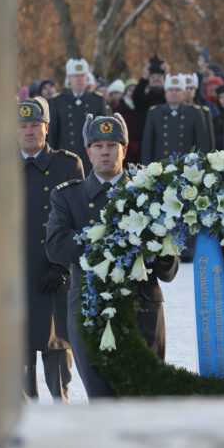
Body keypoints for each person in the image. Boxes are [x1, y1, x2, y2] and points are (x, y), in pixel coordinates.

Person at [46, 113, 179, 398]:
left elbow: (169, 269)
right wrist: (114, 240)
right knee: (103, 404)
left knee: (147, 402)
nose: (105, 151)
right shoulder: (69, 197)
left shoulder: (151, 193)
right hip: (89, 313)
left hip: (142, 311)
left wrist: (156, 249)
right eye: (98, 145)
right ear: (88, 151)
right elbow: (56, 247)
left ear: (124, 149)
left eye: (112, 144)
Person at [18, 97, 84, 403]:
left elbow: (80, 221)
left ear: (47, 127)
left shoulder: (67, 165)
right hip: (15, 275)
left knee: (57, 349)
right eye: (23, 126)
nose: (30, 132)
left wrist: (63, 267)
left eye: (35, 126)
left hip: (55, 273)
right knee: (18, 353)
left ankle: (63, 418)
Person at [47, 58, 108, 172]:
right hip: (66, 158)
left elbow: (104, 133)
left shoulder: (97, 100)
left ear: (87, 77)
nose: (79, 79)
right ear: (69, 78)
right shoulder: (58, 101)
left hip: (91, 159)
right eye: (75, 76)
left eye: (82, 75)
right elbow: (53, 134)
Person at [141, 74, 210, 165]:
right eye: (170, 90)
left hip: (186, 168)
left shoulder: (194, 113)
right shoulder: (154, 113)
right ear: (165, 93)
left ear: (183, 94)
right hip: (160, 168)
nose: (174, 93)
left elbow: (202, 145)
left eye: (177, 90)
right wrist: (147, 168)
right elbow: (147, 145)